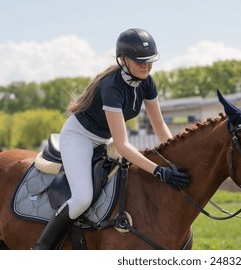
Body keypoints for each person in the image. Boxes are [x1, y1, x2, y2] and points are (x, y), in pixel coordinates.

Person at [32, 28, 189, 250]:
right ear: (123, 60)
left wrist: (176, 158)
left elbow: (160, 125)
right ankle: (41, 248)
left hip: (104, 140)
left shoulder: (147, 82)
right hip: (79, 137)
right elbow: (123, 144)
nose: (146, 66)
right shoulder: (112, 87)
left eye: (150, 61)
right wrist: (159, 171)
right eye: (140, 61)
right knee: (82, 199)